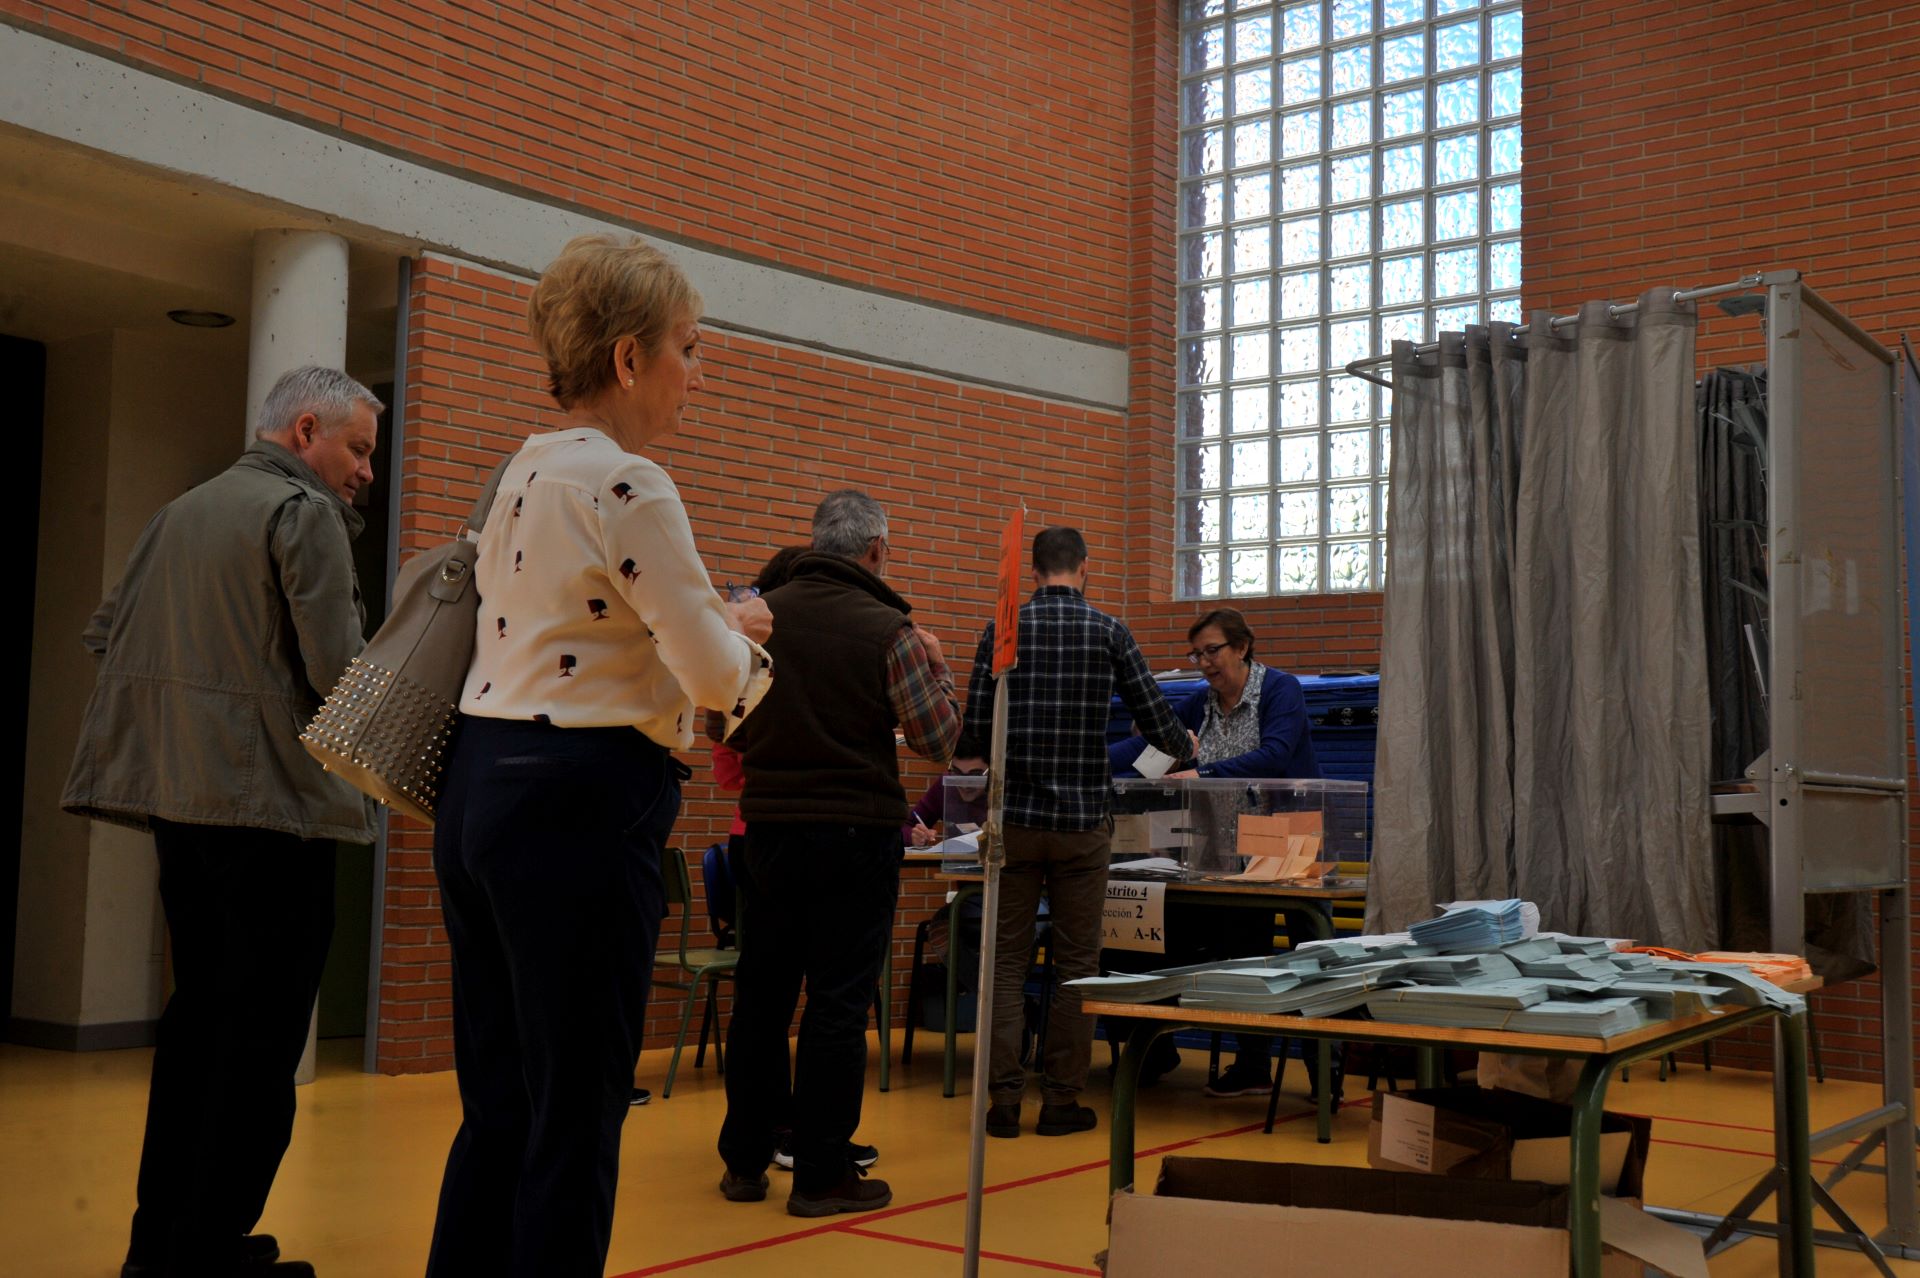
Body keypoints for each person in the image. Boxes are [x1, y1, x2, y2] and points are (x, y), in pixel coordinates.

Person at [425, 233, 774, 1278]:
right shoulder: (629, 483)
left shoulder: (518, 474)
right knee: (576, 1114)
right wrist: (750, 637)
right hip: (577, 804)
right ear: (628, 358)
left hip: (477, 787)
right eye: (687, 347)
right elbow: (711, 675)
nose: (696, 372)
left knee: (500, 1106)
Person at [62, 364, 384, 1278]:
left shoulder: (180, 511)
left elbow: (105, 635)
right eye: (358, 449)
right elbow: (337, 672)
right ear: (307, 430)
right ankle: (209, 1252)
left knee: (198, 1029)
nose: (366, 471)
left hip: (182, 809)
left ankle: (160, 1248)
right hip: (274, 817)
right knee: (259, 1048)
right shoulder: (304, 513)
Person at [718, 490, 959, 1216]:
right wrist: (940, 670)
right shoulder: (891, 630)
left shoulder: (754, 618)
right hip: (854, 835)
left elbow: (722, 726)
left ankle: (745, 1162)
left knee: (761, 998)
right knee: (837, 1003)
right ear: (877, 550)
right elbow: (938, 741)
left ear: (817, 539)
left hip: (766, 833)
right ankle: (822, 1173)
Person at [965, 527, 1193, 1139]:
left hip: (1014, 822)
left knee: (1005, 963)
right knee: (1074, 965)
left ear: (1034, 570)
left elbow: (975, 728)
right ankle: (1060, 1101)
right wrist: (1183, 742)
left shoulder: (1002, 630)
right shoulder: (1110, 631)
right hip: (1083, 823)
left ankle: (1003, 1103)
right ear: (1085, 568)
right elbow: (1156, 719)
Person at [1111, 607, 1324, 1098]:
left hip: (1289, 835)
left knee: (1310, 952)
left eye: (1212, 650)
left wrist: (1202, 773)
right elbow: (1154, 745)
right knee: (1243, 954)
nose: (1205, 662)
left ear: (1242, 647)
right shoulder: (1198, 704)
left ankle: (1324, 1076)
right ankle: (1251, 1066)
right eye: (1196, 654)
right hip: (1226, 849)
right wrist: (1099, 764)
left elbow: (1276, 755)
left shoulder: (1280, 690)